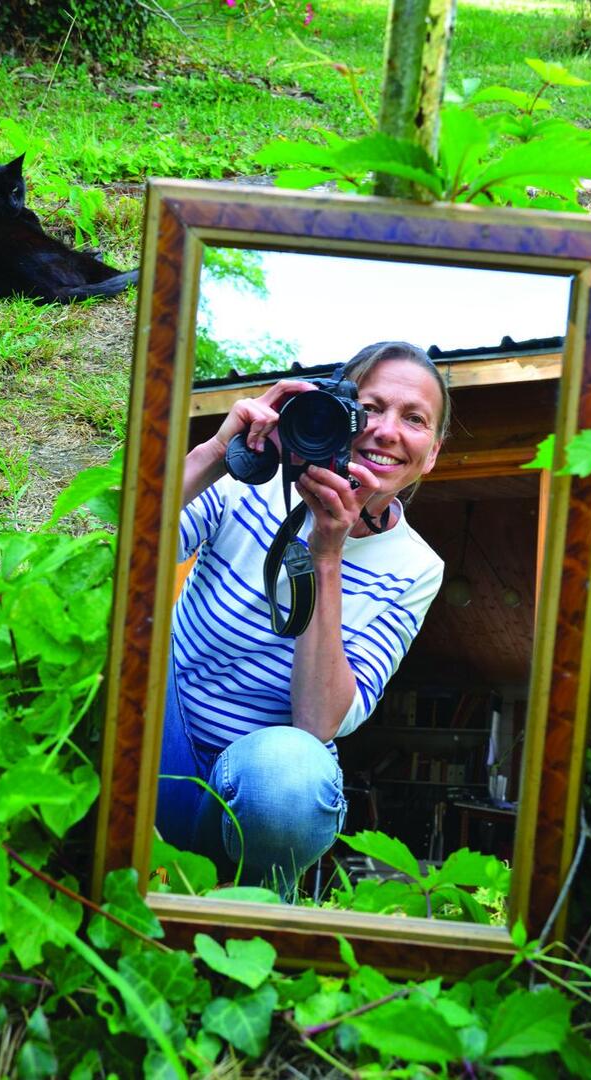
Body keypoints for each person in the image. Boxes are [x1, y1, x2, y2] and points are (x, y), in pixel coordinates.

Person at [156, 341, 451, 891]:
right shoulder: (257, 479)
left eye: (414, 419)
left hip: (260, 784)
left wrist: (325, 554)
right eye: (369, 407)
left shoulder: (417, 568)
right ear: (332, 413)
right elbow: (128, 551)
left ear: (431, 453)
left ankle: (247, 911)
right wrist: (218, 452)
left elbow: (317, 724)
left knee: (294, 774)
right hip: (158, 731)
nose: (386, 431)